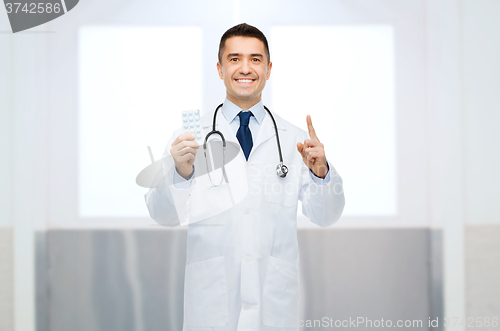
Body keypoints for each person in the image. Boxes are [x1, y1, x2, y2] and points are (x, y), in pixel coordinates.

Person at [145, 23, 345, 331]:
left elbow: (326, 216)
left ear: (268, 68)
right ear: (220, 68)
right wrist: (181, 172)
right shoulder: (189, 139)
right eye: (234, 58)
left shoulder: (294, 140)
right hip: (211, 306)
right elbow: (163, 215)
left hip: (272, 304)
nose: (245, 68)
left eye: (255, 59)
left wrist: (321, 174)